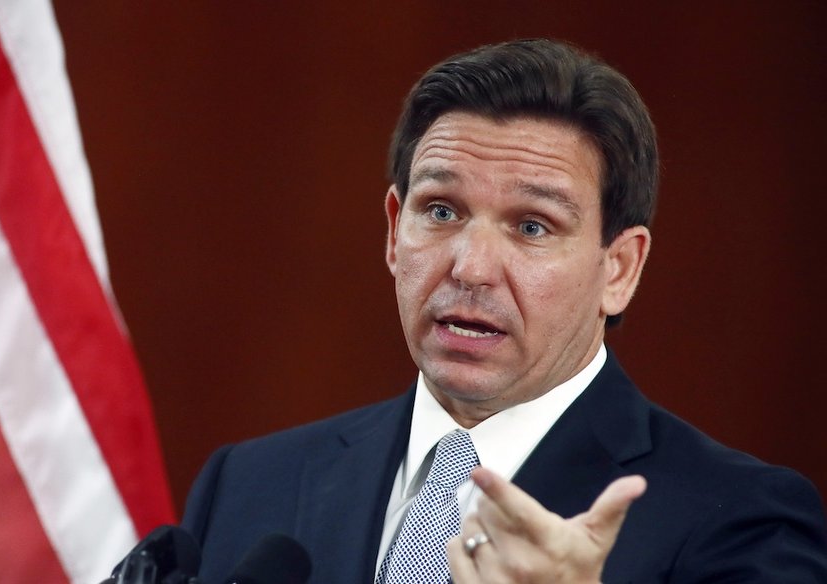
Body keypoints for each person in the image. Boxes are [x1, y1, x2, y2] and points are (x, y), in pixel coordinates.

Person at [177, 39, 827, 583]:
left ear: (619, 269)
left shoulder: (740, 520)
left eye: (533, 227)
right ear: (393, 230)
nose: (470, 266)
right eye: (441, 211)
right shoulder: (248, 484)